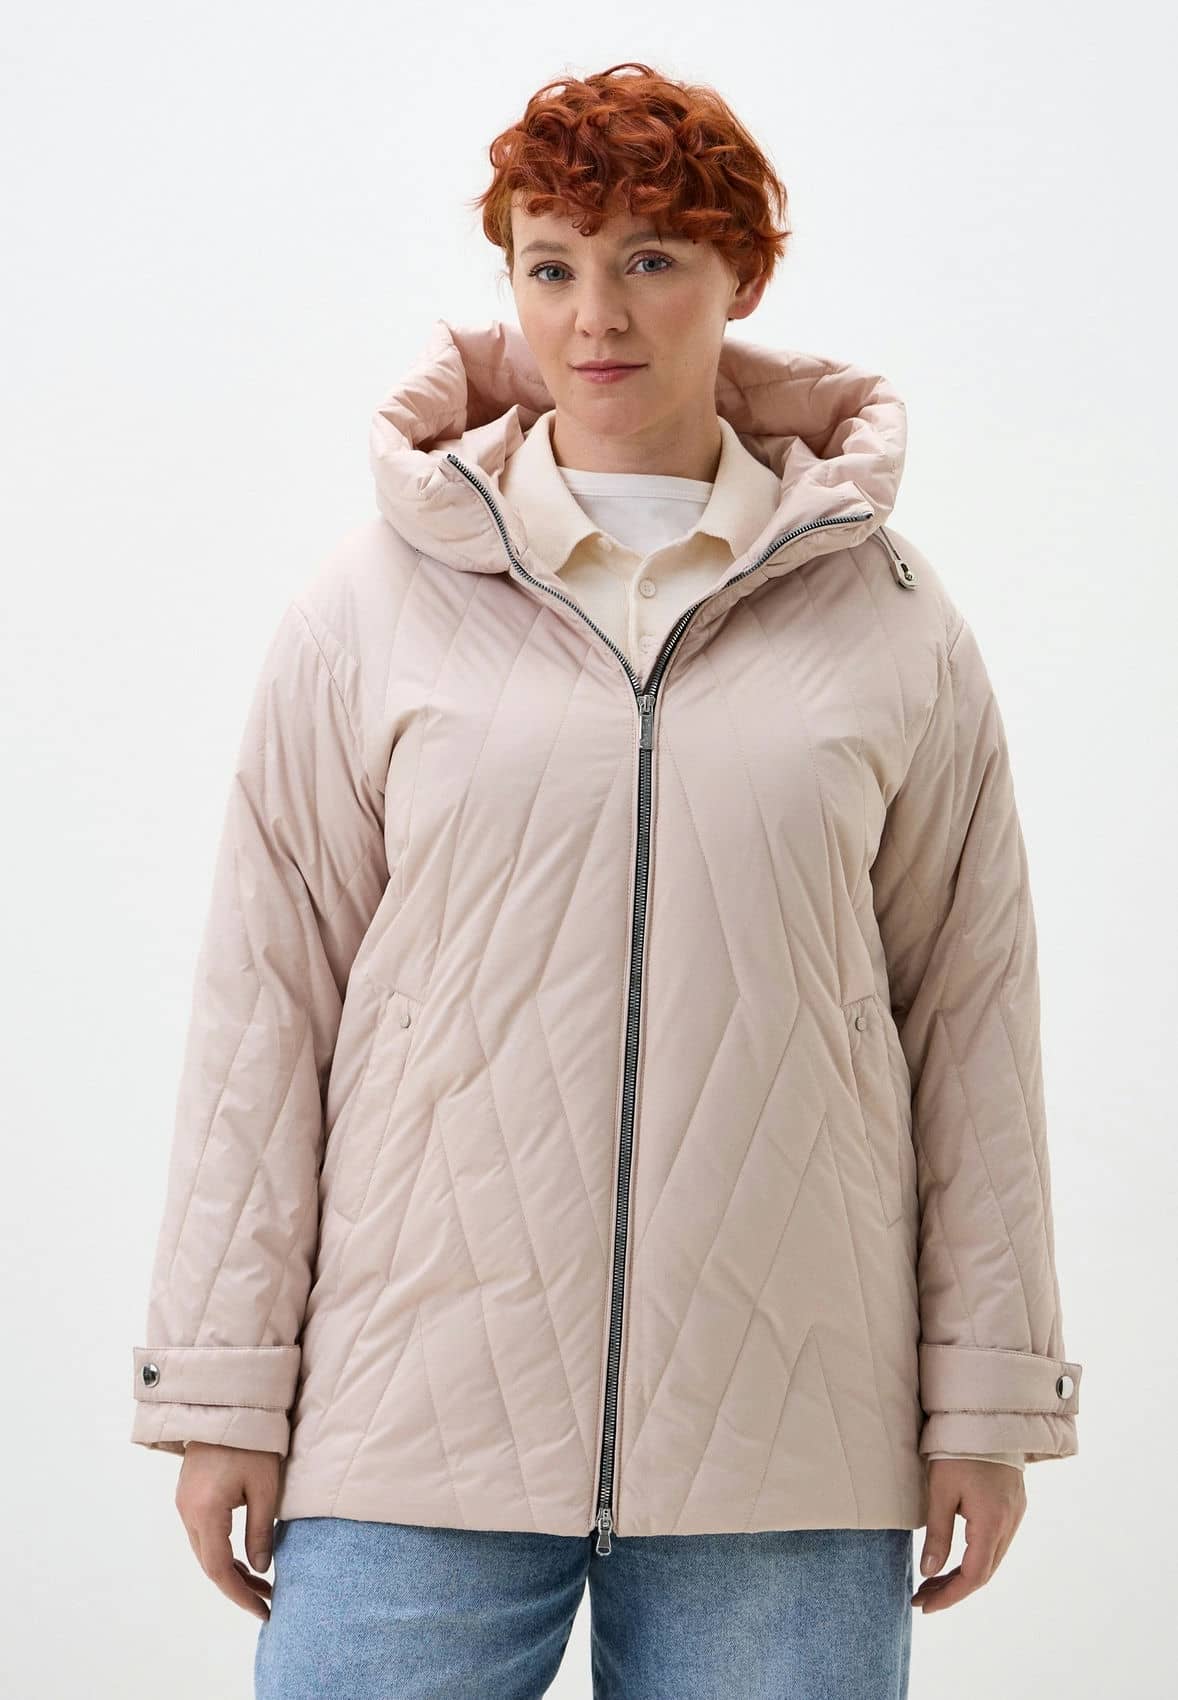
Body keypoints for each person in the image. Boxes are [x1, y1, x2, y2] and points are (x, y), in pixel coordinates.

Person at [129, 61, 1083, 1699]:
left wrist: (984, 1399)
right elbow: (266, 1003)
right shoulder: (368, 604)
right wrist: (224, 1386)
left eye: (650, 259)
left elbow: (968, 1013)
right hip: (409, 1408)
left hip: (788, 1431)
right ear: (507, 277)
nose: (596, 316)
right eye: (551, 263)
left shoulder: (889, 619)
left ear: (740, 277)